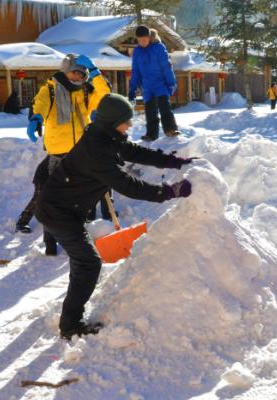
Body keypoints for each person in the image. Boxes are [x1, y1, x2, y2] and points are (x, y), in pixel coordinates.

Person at [35, 93, 195, 339]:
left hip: (66, 208)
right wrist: (169, 192)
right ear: (113, 121)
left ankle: (71, 316)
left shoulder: (106, 136)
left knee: (83, 263)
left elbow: (135, 152)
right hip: (59, 212)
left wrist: (173, 162)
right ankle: (71, 325)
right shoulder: (96, 150)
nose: (130, 125)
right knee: (89, 263)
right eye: (126, 121)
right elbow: (128, 185)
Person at [23, 54, 112, 255]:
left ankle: (78, 238)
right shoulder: (51, 90)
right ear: (64, 71)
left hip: (81, 153)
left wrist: (96, 72)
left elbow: (105, 94)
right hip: (58, 153)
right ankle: (50, 243)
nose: (78, 76)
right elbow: (41, 104)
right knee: (54, 200)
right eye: (74, 71)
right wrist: (36, 117)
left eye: (82, 73)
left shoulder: (86, 93)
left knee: (80, 198)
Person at [129, 25, 180, 141]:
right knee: (150, 112)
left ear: (149, 37)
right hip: (147, 87)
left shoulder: (159, 48)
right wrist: (132, 88)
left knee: (164, 108)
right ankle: (151, 135)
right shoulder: (137, 52)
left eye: (144, 40)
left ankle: (170, 129)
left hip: (160, 84)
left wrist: (171, 83)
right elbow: (135, 71)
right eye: (140, 40)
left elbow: (166, 66)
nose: (142, 42)